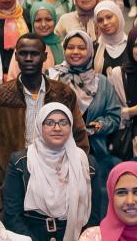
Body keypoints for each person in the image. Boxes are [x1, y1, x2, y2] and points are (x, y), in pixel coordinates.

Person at [2, 102, 106, 241]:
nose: (57, 128)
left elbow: (94, 220)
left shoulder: (87, 163)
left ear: (71, 127)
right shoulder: (21, 162)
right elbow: (12, 216)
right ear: (40, 126)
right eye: (50, 122)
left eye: (63, 122)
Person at [0, 34, 82, 181]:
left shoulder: (63, 94)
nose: (28, 58)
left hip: (56, 176)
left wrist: (69, 176)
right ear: (16, 56)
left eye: (34, 54)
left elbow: (79, 137)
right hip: (13, 178)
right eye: (23, 53)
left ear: (45, 56)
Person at [48, 31, 124, 171]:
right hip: (56, 153)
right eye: (70, 47)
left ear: (90, 51)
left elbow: (114, 117)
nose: (75, 52)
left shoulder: (101, 82)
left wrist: (99, 126)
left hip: (94, 153)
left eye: (81, 48)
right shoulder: (52, 78)